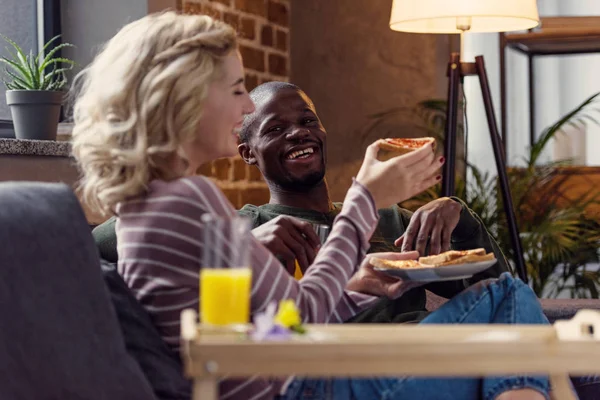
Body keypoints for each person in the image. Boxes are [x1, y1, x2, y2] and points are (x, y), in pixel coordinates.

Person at [71, 12, 551, 400]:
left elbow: (274, 331)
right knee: (506, 299)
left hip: (296, 376)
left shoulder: (155, 203)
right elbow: (302, 316)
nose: (243, 110)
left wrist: (358, 285)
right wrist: (365, 197)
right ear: (186, 96)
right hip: (307, 386)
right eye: (237, 90)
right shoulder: (188, 202)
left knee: (511, 319)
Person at [236, 81, 509, 323]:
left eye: (307, 121)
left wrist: (459, 217)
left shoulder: (391, 219)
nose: (298, 133)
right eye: (275, 128)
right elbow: (217, 309)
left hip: (427, 350)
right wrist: (246, 248)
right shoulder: (249, 227)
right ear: (248, 153)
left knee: (516, 296)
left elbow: (499, 293)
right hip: (354, 366)